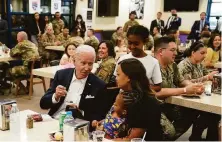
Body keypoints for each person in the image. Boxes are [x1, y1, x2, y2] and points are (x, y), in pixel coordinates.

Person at [40, 45, 114, 126]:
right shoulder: (61, 75)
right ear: (74, 61)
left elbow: (100, 115)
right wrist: (55, 96)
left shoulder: (99, 85)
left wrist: (80, 112)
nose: (87, 68)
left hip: (79, 126)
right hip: (55, 120)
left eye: (90, 64)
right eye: (83, 63)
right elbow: (43, 104)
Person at [154, 37, 205, 140]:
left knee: (192, 112)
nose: (176, 53)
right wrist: (185, 90)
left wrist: (192, 86)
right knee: (170, 132)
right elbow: (157, 92)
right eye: (172, 50)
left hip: (169, 104)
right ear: (161, 51)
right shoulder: (152, 66)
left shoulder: (172, 65)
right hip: (153, 107)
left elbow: (181, 81)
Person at [178, 41, 220, 141]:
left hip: (198, 95)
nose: (205, 56)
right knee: (212, 114)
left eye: (205, 53)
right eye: (202, 53)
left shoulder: (199, 64)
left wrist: (211, 76)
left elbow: (207, 76)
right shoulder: (184, 65)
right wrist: (206, 77)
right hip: (186, 98)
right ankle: (196, 136)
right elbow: (185, 82)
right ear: (193, 53)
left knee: (215, 114)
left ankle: (202, 137)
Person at [113, 58, 162, 141]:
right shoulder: (127, 95)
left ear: (128, 77)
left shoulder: (143, 102)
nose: (116, 78)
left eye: (118, 74)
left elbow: (133, 139)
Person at [114, 25, 162, 92]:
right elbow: (116, 80)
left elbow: (158, 87)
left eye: (136, 43)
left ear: (145, 41)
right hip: (124, 99)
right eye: (130, 43)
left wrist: (140, 88)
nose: (132, 46)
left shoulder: (153, 62)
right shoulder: (122, 59)